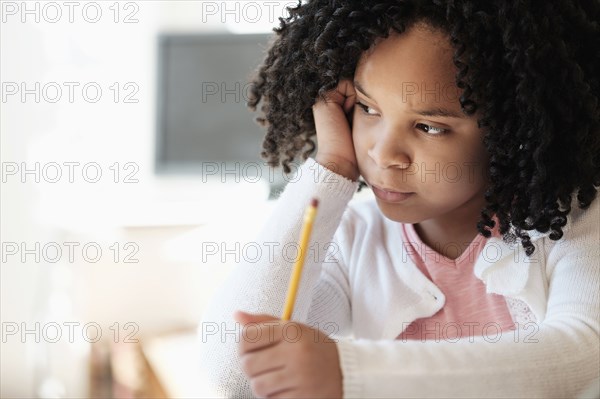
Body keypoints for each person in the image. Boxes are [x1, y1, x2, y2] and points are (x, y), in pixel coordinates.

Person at [199, 1, 600, 397]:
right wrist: (331, 168)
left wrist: (349, 372)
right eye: (368, 108)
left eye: (428, 126)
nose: (383, 154)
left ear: (509, 130)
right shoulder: (355, 236)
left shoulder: (576, 223)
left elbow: (581, 353)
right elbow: (236, 374)